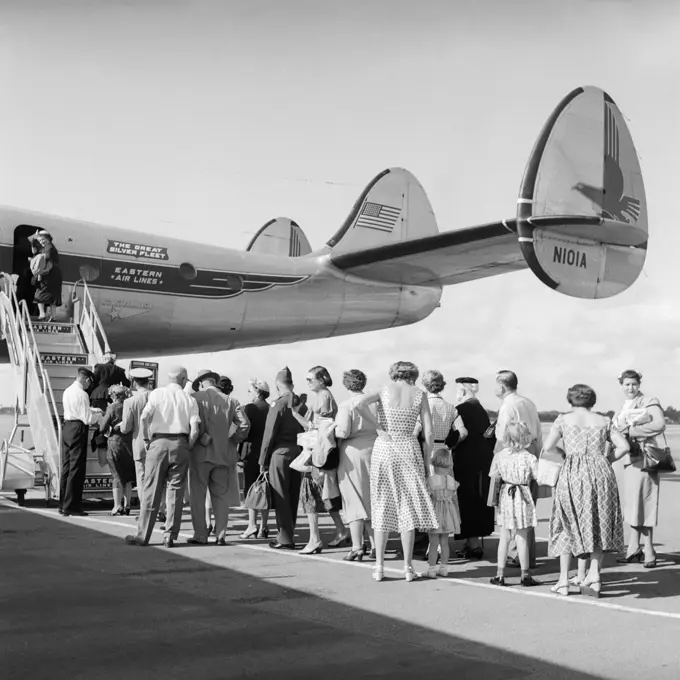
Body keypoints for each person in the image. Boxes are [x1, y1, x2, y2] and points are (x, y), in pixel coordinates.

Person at [356, 361, 440, 582]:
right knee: (407, 510)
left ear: (394, 374)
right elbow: (429, 433)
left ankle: (379, 566)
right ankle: (407, 567)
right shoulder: (420, 394)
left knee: (382, 504)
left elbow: (360, 404)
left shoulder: (384, 390)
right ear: (413, 375)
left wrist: (378, 427)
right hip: (408, 447)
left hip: (385, 448)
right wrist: (427, 461)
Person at [545, 384, 628, 598]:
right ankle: (594, 575)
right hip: (601, 472)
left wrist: (565, 453)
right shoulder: (604, 421)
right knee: (598, 520)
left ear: (570, 400)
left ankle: (563, 581)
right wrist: (606, 459)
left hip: (573, 471)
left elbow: (548, 447)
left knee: (565, 521)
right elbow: (624, 447)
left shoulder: (563, 420)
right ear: (592, 401)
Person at [125, 366, 200, 547]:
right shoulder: (189, 399)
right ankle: (170, 535)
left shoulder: (157, 394)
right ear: (183, 380)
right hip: (180, 443)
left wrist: (145, 438)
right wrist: (187, 445)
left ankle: (143, 535)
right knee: (175, 491)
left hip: (158, 443)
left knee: (151, 490)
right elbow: (195, 429)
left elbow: (144, 417)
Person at [188, 369, 250, 546]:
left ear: (200, 383)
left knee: (198, 496)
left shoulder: (195, 398)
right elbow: (244, 425)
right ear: (214, 382)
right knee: (221, 496)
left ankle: (201, 534)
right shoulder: (231, 400)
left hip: (200, 453)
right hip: (224, 454)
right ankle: (221, 534)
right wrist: (232, 440)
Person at [612, 370, 665, 568]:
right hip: (628, 461)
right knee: (634, 506)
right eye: (626, 384)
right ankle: (634, 548)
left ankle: (649, 550)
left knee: (644, 505)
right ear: (621, 385)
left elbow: (659, 424)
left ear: (639, 384)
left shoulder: (649, 400)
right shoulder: (623, 406)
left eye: (633, 384)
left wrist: (630, 430)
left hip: (644, 460)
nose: (630, 388)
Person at [295, 366, 349, 554]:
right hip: (321, 451)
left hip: (319, 452)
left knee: (309, 493)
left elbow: (319, 427)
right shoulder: (323, 396)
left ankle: (314, 539)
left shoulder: (323, 397)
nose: (308, 382)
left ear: (321, 380)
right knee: (324, 493)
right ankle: (340, 530)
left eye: (310, 379)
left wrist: (294, 414)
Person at [494, 370, 542, 569]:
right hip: (530, 454)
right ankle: (527, 556)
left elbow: (502, 436)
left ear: (502, 386)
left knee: (509, 511)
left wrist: (497, 461)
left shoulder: (508, 405)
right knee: (528, 508)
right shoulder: (528, 402)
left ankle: (514, 555)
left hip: (512, 458)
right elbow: (538, 431)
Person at [418, 370, 466, 562]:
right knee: (444, 497)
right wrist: (450, 445)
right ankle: (440, 545)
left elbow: (417, 430)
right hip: (444, 452)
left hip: (427, 450)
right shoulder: (450, 407)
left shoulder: (422, 405)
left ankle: (431, 546)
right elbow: (463, 432)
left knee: (429, 498)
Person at [489, 421, 541, 588]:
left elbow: (493, 474)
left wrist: (503, 473)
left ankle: (500, 574)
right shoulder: (530, 457)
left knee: (504, 537)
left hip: (506, 495)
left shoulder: (500, 455)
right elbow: (538, 477)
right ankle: (525, 575)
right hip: (523, 495)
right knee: (522, 537)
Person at [259, 367, 306, 550]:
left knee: (281, 496)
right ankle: (289, 533)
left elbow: (269, 434)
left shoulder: (277, 404)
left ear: (277, 385)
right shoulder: (301, 403)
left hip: (280, 454)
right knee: (293, 495)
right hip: (298, 452)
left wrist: (263, 460)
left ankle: (285, 538)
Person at [335, 369, 379, 561]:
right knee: (373, 498)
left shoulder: (346, 405)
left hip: (353, 452)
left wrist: (329, 428)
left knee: (353, 498)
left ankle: (357, 546)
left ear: (346, 384)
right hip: (375, 449)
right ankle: (377, 545)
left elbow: (343, 432)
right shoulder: (375, 403)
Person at [451, 377, 496, 559]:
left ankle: (472, 544)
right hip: (483, 461)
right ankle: (474, 543)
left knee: (466, 502)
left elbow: (455, 435)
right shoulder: (481, 410)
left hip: (465, 461)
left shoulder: (460, 409)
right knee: (478, 500)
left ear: (462, 391)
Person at [119, 367, 166, 520]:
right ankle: (161, 510)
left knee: (142, 479)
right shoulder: (159, 397)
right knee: (159, 477)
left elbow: (126, 428)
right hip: (158, 442)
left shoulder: (130, 401)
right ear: (148, 381)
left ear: (133, 381)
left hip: (139, 444)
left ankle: (145, 511)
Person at [60, 368, 102, 516]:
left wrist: (93, 409)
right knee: (76, 469)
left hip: (67, 428)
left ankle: (63, 503)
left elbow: (77, 409)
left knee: (66, 467)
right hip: (78, 429)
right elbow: (87, 419)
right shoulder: (83, 394)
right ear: (86, 380)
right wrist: (100, 416)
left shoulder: (67, 391)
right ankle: (72, 506)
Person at [239, 378, 272, 539]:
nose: (248, 394)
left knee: (251, 489)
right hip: (267, 454)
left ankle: (252, 524)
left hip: (252, 452)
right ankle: (264, 525)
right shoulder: (270, 407)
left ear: (257, 391)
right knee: (265, 489)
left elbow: (243, 429)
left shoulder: (250, 408)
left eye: (250, 391)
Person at [97, 384, 136, 515]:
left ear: (114, 395)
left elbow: (103, 428)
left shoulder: (112, 407)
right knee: (128, 476)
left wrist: (101, 418)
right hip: (129, 443)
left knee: (116, 475)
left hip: (115, 442)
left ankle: (117, 505)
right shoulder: (130, 405)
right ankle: (128, 504)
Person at [426, 447, 460, 579]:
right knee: (445, 542)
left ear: (434, 464)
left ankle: (431, 569)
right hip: (448, 513)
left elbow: (428, 496)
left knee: (433, 543)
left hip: (435, 512)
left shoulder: (431, 480)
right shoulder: (451, 481)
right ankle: (444, 568)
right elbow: (454, 497)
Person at [28, 230, 62, 321]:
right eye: (40, 241)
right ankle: (53, 316)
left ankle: (42, 313)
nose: (41, 242)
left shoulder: (49, 247)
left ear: (48, 239)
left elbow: (48, 260)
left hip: (49, 274)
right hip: (55, 275)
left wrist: (42, 271)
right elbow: (34, 251)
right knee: (52, 296)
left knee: (39, 294)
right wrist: (34, 241)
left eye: (43, 240)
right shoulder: (47, 247)